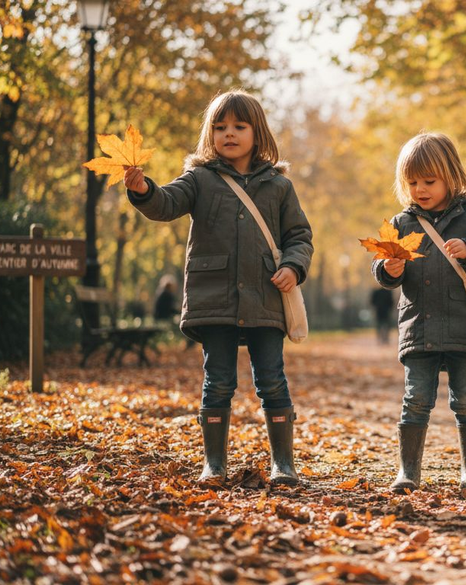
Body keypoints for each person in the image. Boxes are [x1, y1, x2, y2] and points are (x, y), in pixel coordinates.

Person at [123, 89, 314, 487]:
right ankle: (214, 464)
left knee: (272, 379)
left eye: (239, 127)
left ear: (256, 133)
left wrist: (294, 266)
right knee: (219, 379)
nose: (229, 133)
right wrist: (143, 191)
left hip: (265, 296)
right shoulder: (199, 178)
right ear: (209, 134)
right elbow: (167, 203)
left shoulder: (278, 186)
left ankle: (284, 463)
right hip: (214, 297)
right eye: (220, 127)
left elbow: (299, 235)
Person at [372, 132, 466, 497]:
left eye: (429, 181)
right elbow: (381, 268)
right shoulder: (402, 223)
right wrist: (389, 270)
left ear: (450, 175)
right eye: (412, 182)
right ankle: (408, 470)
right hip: (419, 326)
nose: (420, 189)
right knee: (416, 398)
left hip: (465, 327)